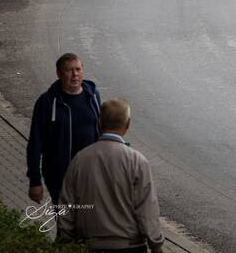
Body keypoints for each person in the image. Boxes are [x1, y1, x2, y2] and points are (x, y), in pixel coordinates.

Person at [57, 98, 164, 253]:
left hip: (88, 245)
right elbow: (147, 209)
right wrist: (156, 245)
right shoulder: (137, 161)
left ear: (99, 123)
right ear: (127, 125)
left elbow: (66, 206)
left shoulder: (80, 159)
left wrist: (66, 241)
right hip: (129, 246)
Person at [26, 53, 101, 204]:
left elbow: (101, 133)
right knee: (66, 224)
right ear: (59, 74)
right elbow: (35, 143)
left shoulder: (93, 96)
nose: (75, 75)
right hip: (60, 178)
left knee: (91, 223)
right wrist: (35, 181)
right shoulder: (46, 102)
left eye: (78, 69)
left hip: (90, 176)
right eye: (69, 70)